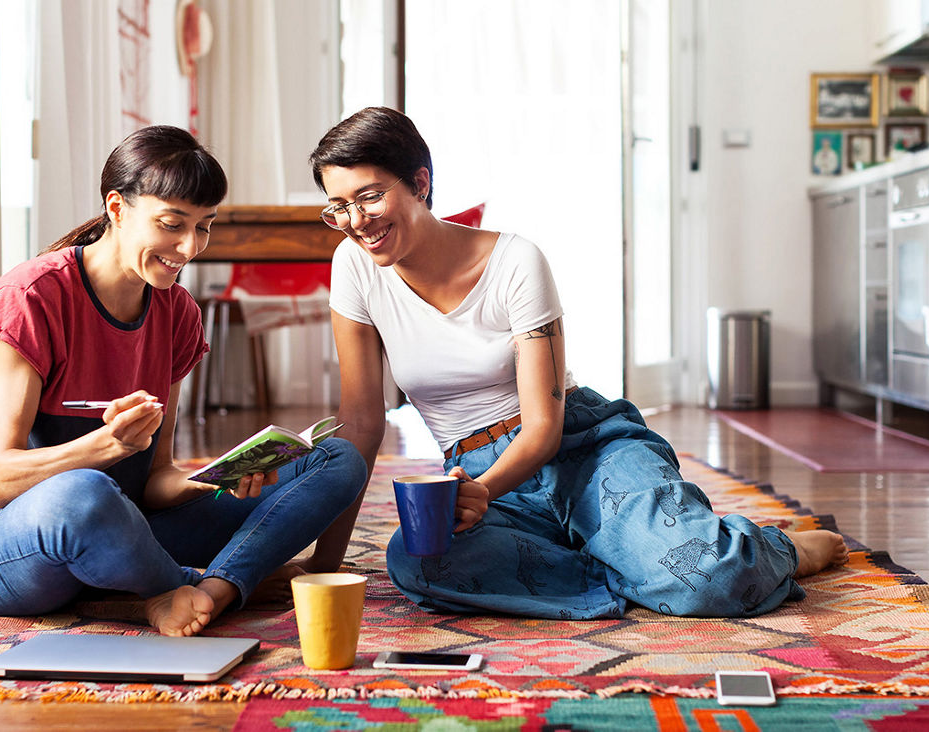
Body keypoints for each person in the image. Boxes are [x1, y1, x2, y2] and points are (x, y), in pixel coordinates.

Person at [310, 107, 847, 620]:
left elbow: (544, 427)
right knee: (416, 561)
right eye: (338, 206)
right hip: (479, 476)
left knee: (710, 578)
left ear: (420, 183)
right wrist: (322, 566)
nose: (356, 222)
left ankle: (774, 549)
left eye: (371, 196)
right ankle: (641, 563)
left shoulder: (515, 260)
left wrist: (484, 491)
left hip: (582, 449)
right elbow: (360, 423)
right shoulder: (354, 267)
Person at [0, 125, 366, 636]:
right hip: (8, 539)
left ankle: (217, 588)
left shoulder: (177, 313)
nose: (189, 247)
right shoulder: (32, 296)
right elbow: (2, 478)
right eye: (171, 224)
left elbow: (155, 481)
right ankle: (170, 587)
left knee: (335, 458)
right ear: (117, 208)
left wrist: (215, 479)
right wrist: (102, 446)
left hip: (130, 525)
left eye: (204, 227)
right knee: (85, 494)